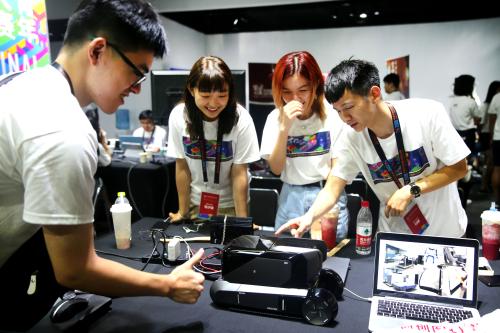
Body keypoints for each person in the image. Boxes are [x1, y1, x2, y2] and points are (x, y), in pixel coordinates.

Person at [0, 1, 204, 331]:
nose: (138, 87)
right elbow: (75, 270)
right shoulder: (62, 128)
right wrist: (166, 285)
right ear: (98, 51)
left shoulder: (25, 82)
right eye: (137, 72)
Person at [276, 59, 469, 239]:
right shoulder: (351, 137)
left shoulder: (426, 114)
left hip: (445, 233)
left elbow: (460, 167)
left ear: (374, 94)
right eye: (338, 111)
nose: (345, 118)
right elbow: (332, 188)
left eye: (349, 107)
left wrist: (411, 190)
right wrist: (308, 218)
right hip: (394, 237)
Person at [260, 51, 348, 240]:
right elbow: (276, 169)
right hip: (291, 196)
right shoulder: (275, 118)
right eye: (287, 92)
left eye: (302, 90)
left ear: (315, 85)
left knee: (331, 260)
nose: (295, 98)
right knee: (287, 259)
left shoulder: (333, 115)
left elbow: (337, 169)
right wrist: (284, 129)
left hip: (326, 194)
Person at [167, 56, 260, 221]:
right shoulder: (179, 116)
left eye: (222, 95)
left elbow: (239, 173)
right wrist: (182, 212)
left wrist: (242, 221)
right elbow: (182, 165)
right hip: (196, 203)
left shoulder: (241, 119)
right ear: (191, 89)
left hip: (232, 205)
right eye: (205, 95)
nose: (213, 103)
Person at [447, 74, 481, 155]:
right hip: (469, 134)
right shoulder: (471, 102)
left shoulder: (452, 101)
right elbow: (477, 120)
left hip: (455, 133)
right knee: (471, 154)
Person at [478, 81, 500, 193]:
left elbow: (485, 121)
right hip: (488, 135)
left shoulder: (493, 101)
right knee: (490, 162)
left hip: (492, 135)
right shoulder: (486, 104)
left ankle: (487, 185)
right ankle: (484, 184)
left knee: (493, 164)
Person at [488, 91, 500, 207]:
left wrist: (491, 135)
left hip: (498, 137)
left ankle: (497, 199)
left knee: (497, 168)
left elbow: (492, 118)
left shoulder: (497, 96)